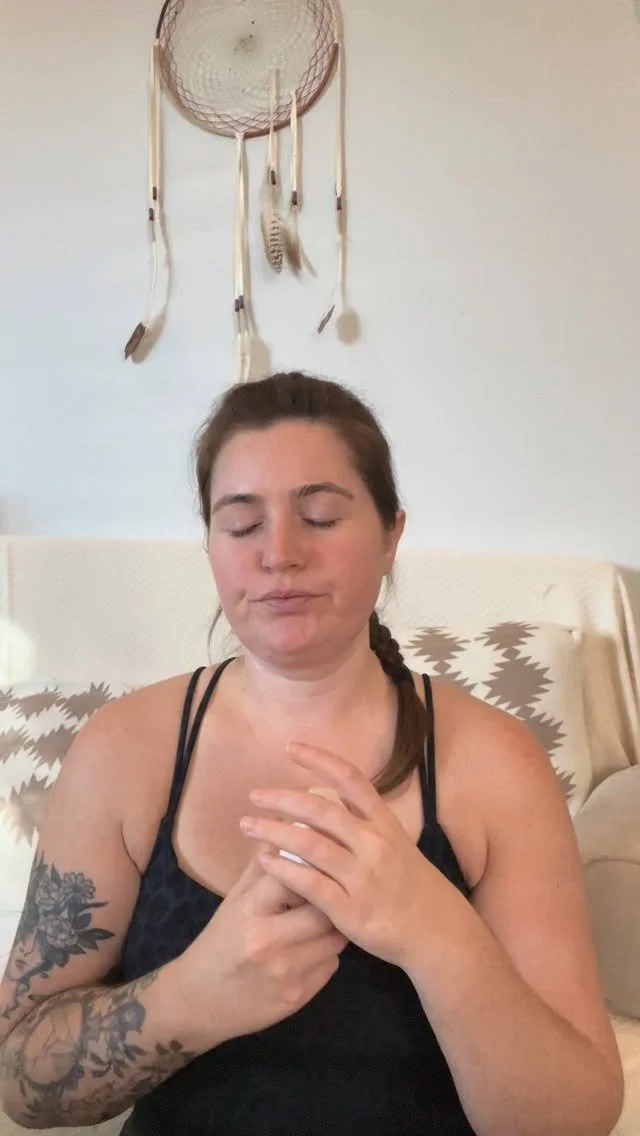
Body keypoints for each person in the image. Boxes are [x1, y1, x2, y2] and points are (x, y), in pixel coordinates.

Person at [0, 371, 623, 1135]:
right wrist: (192, 997)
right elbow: (20, 1081)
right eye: (241, 524)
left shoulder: (495, 763)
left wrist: (438, 935)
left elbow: (575, 1117)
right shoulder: (123, 751)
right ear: (210, 547)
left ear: (391, 535)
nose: (280, 553)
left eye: (320, 516)